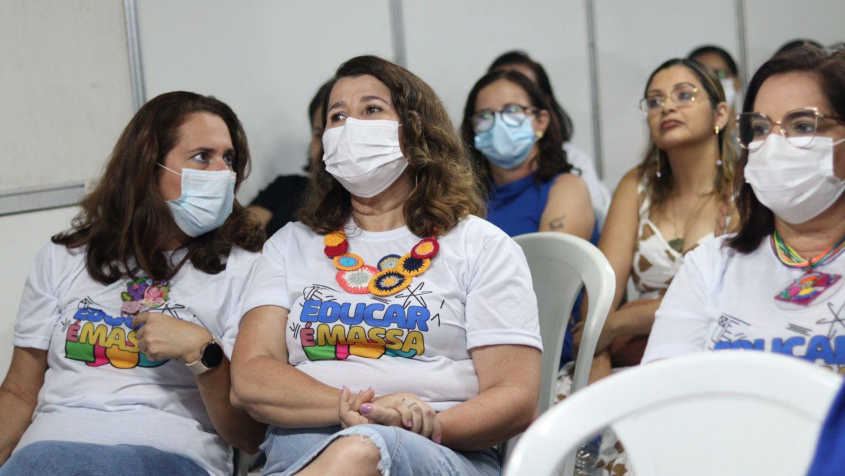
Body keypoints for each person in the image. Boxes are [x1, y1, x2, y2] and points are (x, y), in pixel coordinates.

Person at [230, 55, 542, 476]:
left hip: (438, 448)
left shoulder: (481, 246)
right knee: (357, 446)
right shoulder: (290, 244)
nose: (350, 127)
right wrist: (361, 409)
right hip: (299, 449)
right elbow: (250, 377)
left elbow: (515, 397)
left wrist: (415, 424)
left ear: (416, 131)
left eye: (371, 110)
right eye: (337, 116)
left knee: (361, 451)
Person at [0, 92, 266, 475]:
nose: (221, 173)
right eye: (202, 157)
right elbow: (19, 392)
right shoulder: (65, 256)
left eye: (228, 159)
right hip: (47, 453)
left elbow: (251, 436)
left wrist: (202, 352)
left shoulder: (247, 267)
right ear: (148, 167)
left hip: (166, 455)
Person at [643, 46, 845, 368]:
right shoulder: (710, 266)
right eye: (762, 129)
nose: (774, 145)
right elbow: (661, 394)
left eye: (803, 126)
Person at [460, 69, 597, 367]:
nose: (498, 123)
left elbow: (546, 288)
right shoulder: (463, 200)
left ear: (541, 121)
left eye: (512, 111)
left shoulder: (564, 189)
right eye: (485, 116)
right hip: (469, 353)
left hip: (541, 354)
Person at [488, 51, 611, 223]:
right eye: (486, 114)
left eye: (513, 109)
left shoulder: (573, 169)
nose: (501, 121)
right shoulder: (470, 186)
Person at [248, 81, 332, 237]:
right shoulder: (285, 189)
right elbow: (238, 239)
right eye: (319, 135)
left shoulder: (372, 207)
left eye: (335, 135)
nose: (325, 147)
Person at [689, 45, 742, 118]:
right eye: (701, 76)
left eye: (720, 74)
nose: (711, 82)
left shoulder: (753, 128)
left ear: (737, 82)